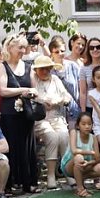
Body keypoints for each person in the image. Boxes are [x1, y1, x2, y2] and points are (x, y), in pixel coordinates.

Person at [0, 33, 39, 194]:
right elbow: (3, 91)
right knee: (12, 147)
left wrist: (32, 93)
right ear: (10, 47)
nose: (23, 50)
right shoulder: (2, 66)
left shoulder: (29, 67)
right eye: (19, 47)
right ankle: (11, 183)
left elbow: (35, 89)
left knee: (27, 147)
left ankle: (29, 182)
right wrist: (23, 90)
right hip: (9, 114)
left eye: (24, 47)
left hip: (26, 114)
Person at [31, 54, 70, 190]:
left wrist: (58, 101)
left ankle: (67, 171)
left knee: (64, 135)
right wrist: (43, 101)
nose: (45, 71)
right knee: (52, 136)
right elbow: (32, 96)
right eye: (42, 69)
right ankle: (51, 175)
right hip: (41, 119)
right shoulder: (34, 80)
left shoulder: (55, 79)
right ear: (36, 70)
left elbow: (66, 95)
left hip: (57, 117)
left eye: (48, 68)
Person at [60, 113, 100, 198]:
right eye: (83, 124)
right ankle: (80, 189)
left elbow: (97, 158)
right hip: (69, 165)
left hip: (84, 165)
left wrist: (88, 163)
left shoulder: (93, 138)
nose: (87, 126)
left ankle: (80, 180)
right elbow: (74, 151)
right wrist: (90, 152)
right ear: (78, 126)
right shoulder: (74, 133)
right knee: (79, 157)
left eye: (89, 124)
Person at [49, 35, 82, 129]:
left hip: (73, 109)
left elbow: (81, 89)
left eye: (62, 51)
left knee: (73, 139)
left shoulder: (73, 66)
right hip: (56, 112)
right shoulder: (48, 70)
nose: (60, 54)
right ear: (51, 53)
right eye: (56, 52)